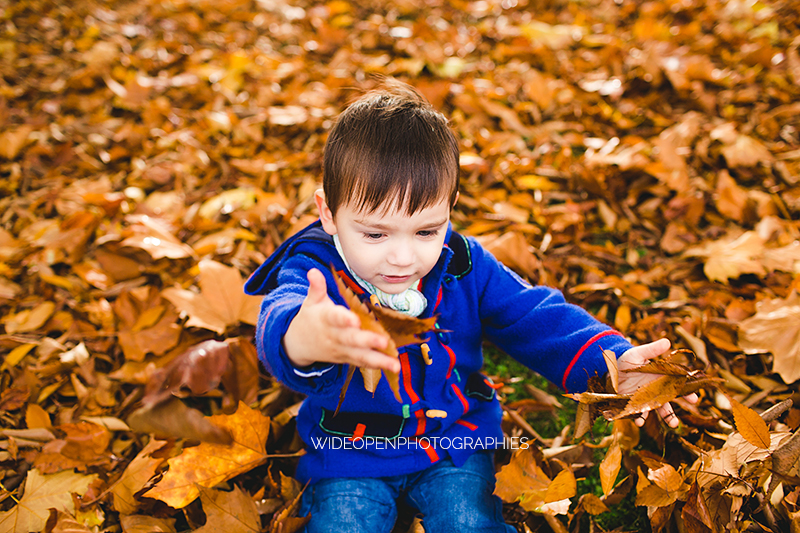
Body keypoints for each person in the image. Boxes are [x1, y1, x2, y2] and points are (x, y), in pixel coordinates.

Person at [245, 79, 695, 532]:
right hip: (348, 452)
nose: (403, 256)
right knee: (341, 524)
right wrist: (303, 337)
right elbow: (280, 316)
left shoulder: (462, 264)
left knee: (467, 520)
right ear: (328, 212)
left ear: (450, 207)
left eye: (425, 231)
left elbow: (535, 316)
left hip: (455, 440)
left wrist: (612, 361)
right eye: (375, 234)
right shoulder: (315, 270)